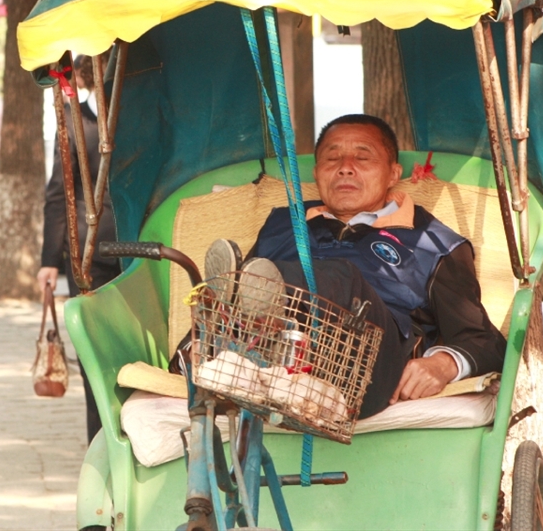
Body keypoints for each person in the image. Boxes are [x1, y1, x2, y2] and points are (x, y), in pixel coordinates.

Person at [202, 114, 506, 419]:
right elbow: (241, 296)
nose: (345, 167)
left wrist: (442, 364)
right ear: (317, 173)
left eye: (363, 157)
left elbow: (485, 340)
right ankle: (238, 349)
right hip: (279, 351)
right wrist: (193, 349)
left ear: (393, 174)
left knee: (342, 276)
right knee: (240, 289)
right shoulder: (282, 225)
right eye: (332, 158)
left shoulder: (435, 244)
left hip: (367, 366)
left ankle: (267, 294)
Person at [37, 54, 119, 443]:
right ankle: (104, 441)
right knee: (99, 350)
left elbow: (58, 195)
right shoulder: (76, 122)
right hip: (97, 253)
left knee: (112, 351)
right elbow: (60, 194)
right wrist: (49, 261)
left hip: (118, 249)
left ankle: (115, 439)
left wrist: (49, 261)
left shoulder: (92, 121)